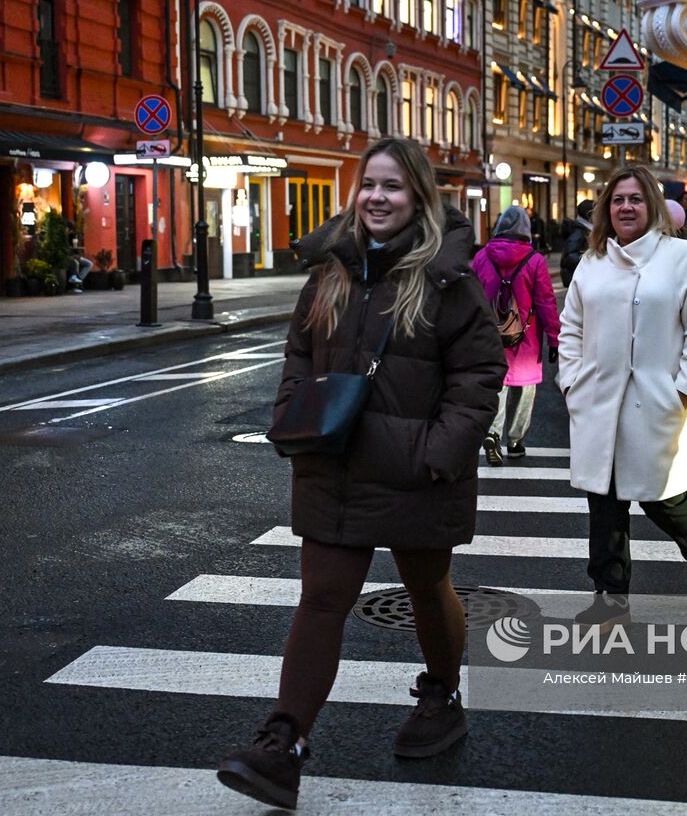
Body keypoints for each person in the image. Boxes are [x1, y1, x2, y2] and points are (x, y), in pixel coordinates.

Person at [216, 138, 505, 809]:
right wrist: (292, 410)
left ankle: (442, 692)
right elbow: (298, 346)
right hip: (335, 458)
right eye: (369, 184)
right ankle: (282, 741)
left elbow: (478, 371)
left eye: (394, 186)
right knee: (321, 597)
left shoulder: (448, 276)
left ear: (419, 197)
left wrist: (441, 449)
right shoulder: (331, 269)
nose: (377, 196)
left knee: (428, 589)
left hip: (417, 467)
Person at [558, 164, 687, 627]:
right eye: (617, 200)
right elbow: (571, 326)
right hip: (598, 402)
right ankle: (611, 599)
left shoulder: (680, 256)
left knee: (663, 497)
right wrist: (571, 380)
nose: (625, 207)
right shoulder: (593, 261)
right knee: (604, 503)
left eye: (634, 198)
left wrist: (686, 390)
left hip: (657, 400)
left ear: (651, 205)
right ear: (606, 210)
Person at [472, 206, 560, 464]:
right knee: (525, 389)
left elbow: (472, 298)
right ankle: (515, 440)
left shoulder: (482, 257)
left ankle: (492, 432)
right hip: (526, 338)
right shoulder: (534, 260)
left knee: (496, 386)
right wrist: (554, 340)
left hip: (489, 336)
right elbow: (546, 302)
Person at [559, 199, 593, 289]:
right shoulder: (579, 232)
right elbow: (569, 257)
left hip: (581, 279)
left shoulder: (585, 230)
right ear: (589, 214)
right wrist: (590, 261)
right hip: (578, 280)